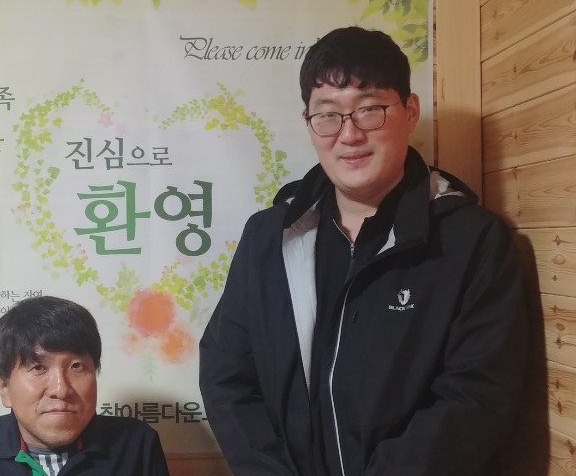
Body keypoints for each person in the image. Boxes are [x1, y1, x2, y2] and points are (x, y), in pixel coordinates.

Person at [199, 26, 529, 476]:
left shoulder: (472, 240)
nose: (349, 134)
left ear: (409, 112)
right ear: (309, 123)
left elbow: (477, 396)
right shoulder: (268, 237)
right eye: (328, 115)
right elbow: (226, 374)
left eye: (370, 109)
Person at [0, 296, 170, 475]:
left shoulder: (136, 444)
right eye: (38, 368)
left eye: (76, 366)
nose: (61, 389)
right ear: (4, 388)